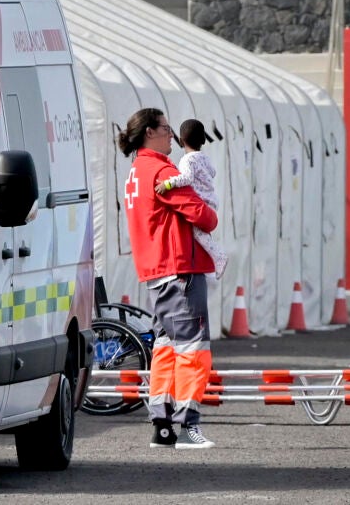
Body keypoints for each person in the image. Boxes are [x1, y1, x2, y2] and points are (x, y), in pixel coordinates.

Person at [117, 107, 218, 450]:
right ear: (149, 132)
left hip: (156, 272)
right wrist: (211, 212)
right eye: (165, 128)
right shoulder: (161, 169)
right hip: (180, 269)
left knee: (165, 347)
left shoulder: (136, 171)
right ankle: (188, 426)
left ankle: (162, 426)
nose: (171, 134)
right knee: (193, 348)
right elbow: (203, 216)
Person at [154, 119, 228, 279]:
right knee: (202, 233)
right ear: (203, 140)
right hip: (211, 201)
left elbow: (186, 178)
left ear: (181, 141)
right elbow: (213, 172)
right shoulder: (204, 158)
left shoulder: (187, 160)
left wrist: (168, 184)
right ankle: (213, 259)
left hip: (202, 202)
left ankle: (218, 256)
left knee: (197, 232)